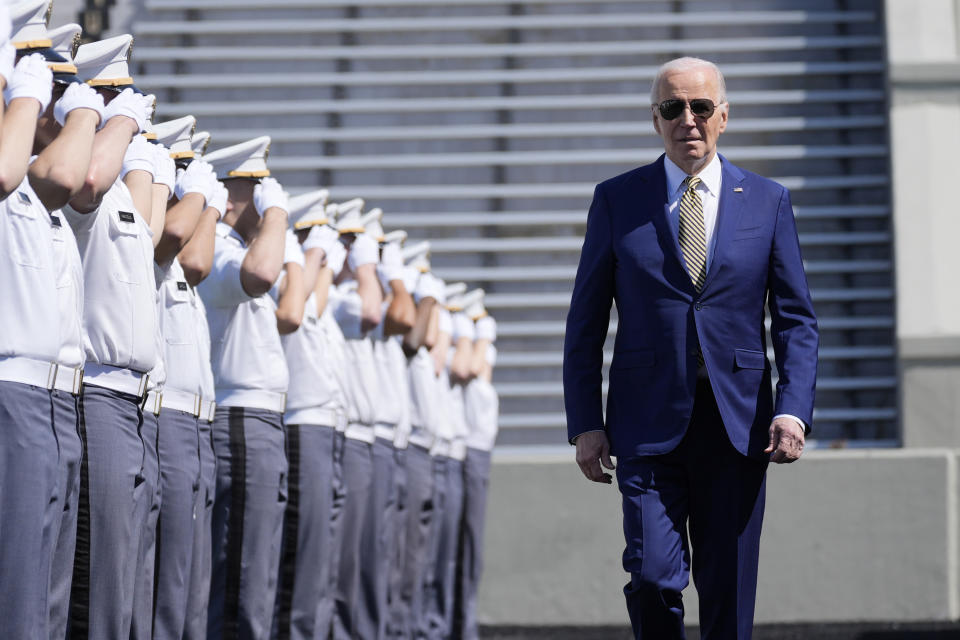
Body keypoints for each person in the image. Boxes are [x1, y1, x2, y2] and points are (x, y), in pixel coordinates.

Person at [562, 56, 819, 639]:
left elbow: (797, 320)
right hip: (647, 425)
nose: (688, 120)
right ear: (655, 120)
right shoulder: (617, 200)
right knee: (653, 577)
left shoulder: (768, 201)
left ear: (723, 116)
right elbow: (585, 323)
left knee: (728, 590)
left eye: (701, 107)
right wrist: (585, 422)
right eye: (672, 108)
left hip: (739, 424)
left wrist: (792, 407)